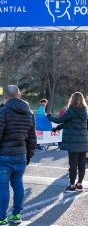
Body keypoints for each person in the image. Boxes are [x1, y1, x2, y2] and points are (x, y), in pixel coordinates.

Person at [0, 85, 37, 225]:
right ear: (19, 95)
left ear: (5, 97)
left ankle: (2, 217)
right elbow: (32, 138)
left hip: (4, 154)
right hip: (21, 154)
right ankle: (16, 215)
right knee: (18, 184)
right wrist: (29, 155)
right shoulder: (30, 114)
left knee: (3, 186)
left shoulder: (3, 112)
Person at [47, 92, 88, 192]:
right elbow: (68, 122)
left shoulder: (71, 111)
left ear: (72, 100)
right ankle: (79, 184)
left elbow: (59, 120)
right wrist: (57, 128)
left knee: (73, 164)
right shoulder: (84, 111)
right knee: (82, 164)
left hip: (73, 142)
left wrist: (49, 117)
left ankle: (72, 185)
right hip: (83, 141)